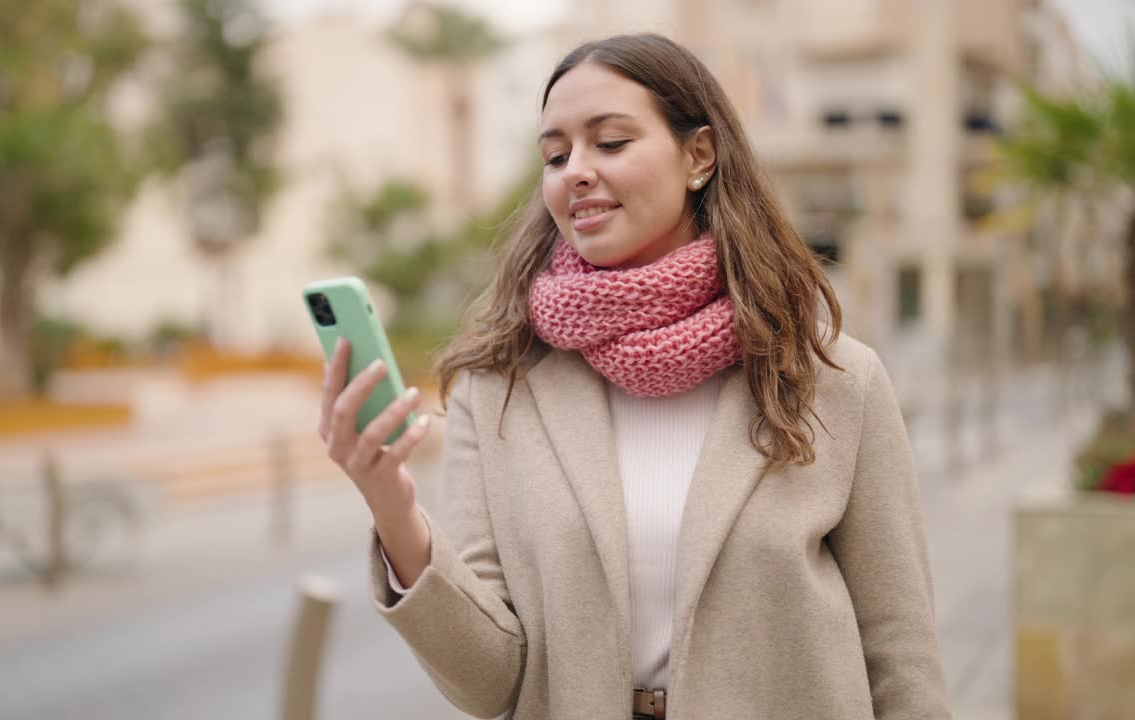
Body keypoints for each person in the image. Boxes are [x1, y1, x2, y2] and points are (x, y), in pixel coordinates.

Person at [317, 32, 950, 720]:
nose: (575, 172)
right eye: (556, 155)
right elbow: (489, 682)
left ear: (698, 155)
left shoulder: (834, 377)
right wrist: (394, 508)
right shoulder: (499, 387)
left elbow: (901, 653)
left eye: (610, 143)